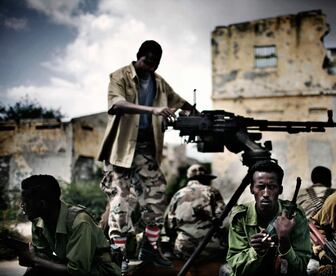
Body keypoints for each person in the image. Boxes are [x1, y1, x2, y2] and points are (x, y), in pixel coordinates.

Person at [97, 40, 195, 268]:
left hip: (144, 149)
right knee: (121, 202)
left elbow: (179, 102)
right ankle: (118, 254)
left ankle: (150, 248)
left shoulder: (159, 83)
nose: (150, 67)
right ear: (138, 56)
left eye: (155, 64)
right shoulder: (119, 76)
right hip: (120, 151)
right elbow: (116, 105)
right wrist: (153, 110)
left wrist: (196, 114)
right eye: (147, 62)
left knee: (158, 195)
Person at [18, 175, 121, 275]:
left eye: (25, 202)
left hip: (100, 270)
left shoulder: (79, 222)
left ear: (42, 204)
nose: (22, 206)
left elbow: (78, 271)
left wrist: (35, 259)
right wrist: (33, 260)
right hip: (70, 267)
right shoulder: (38, 221)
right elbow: (41, 258)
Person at [226, 160, 311, 275]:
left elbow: (300, 269)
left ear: (280, 190)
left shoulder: (295, 216)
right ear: (252, 189)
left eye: (271, 187)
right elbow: (237, 268)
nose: (266, 193)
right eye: (260, 187)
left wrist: (285, 242)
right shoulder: (241, 217)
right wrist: (256, 251)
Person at [164, 164, 227, 260]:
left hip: (184, 249)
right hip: (211, 249)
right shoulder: (213, 192)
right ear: (205, 179)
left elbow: (169, 225)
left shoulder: (178, 194)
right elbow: (224, 221)